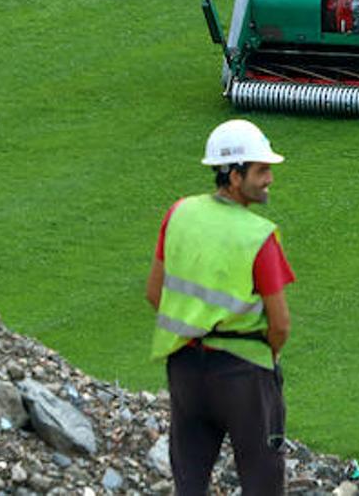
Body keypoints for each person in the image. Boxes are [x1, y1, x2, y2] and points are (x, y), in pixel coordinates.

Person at [147, 119, 295, 496]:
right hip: (244, 375)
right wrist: (267, 357)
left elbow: (154, 293)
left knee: (190, 479)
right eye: (261, 170)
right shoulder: (257, 236)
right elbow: (280, 324)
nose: (269, 179)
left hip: (184, 368)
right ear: (233, 176)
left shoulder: (178, 213)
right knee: (262, 480)